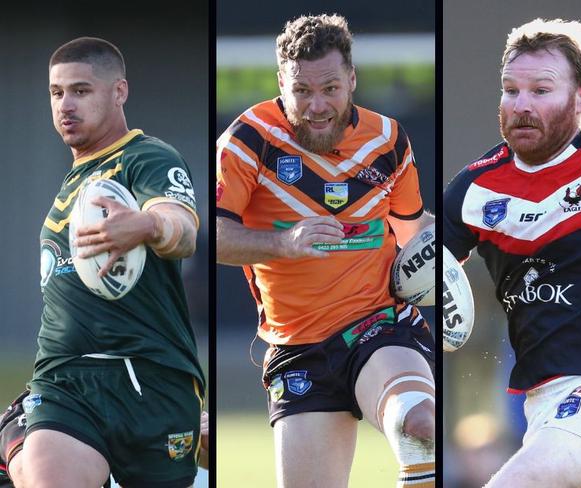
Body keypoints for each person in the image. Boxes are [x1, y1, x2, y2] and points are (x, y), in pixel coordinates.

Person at [217, 13, 435, 488]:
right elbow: (210, 235)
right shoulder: (248, 139)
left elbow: (414, 228)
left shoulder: (388, 140)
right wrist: (283, 243)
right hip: (297, 349)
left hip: (379, 324)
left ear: (352, 80)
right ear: (281, 84)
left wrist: (453, 251)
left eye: (330, 89)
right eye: (302, 91)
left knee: (420, 425)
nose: (316, 106)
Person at [443, 18, 581, 488]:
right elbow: (420, 280)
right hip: (541, 406)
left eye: (541, 90)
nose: (521, 106)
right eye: (510, 90)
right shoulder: (474, 190)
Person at [20, 37, 205, 488]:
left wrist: (146, 225)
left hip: (149, 378)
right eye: (56, 92)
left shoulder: (145, 157)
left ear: (118, 92)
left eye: (81, 91)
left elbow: (181, 228)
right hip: (64, 379)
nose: (65, 104)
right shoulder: (74, 178)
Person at [0, 391, 210, 488]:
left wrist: (203, 446)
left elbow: (198, 461)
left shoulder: (151, 412)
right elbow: (31, 475)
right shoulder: (40, 413)